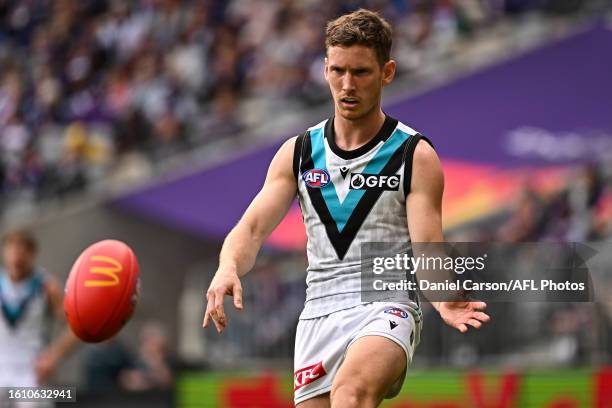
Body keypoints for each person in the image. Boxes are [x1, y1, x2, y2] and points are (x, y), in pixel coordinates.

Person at [203, 9, 490, 408]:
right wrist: (227, 266)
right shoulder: (299, 152)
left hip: (386, 305)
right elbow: (251, 229)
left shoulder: (414, 155)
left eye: (361, 72)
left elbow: (428, 245)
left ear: (387, 72)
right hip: (318, 313)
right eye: (338, 71)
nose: (347, 85)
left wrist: (443, 297)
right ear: (324, 70)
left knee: (351, 394)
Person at [0, 228, 79, 391]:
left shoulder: (47, 286)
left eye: (23, 247)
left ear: (32, 253)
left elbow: (75, 328)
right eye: (12, 246)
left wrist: (54, 356)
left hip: (33, 371)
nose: (17, 254)